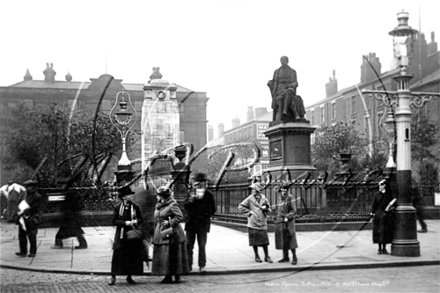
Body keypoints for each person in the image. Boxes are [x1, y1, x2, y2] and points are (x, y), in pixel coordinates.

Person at [152, 186, 190, 283]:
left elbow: (180, 216)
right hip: (161, 232)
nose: (156, 197)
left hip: (171, 233)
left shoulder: (172, 205)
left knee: (171, 254)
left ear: (162, 196)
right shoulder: (159, 205)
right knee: (164, 255)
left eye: (158, 195)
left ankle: (174, 275)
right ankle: (167, 275)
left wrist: (170, 222)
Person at [108, 186, 144, 286]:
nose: (131, 196)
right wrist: (125, 223)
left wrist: (136, 221)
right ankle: (113, 276)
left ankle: (129, 276)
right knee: (118, 256)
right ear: (123, 197)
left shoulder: (135, 207)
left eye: (131, 195)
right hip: (121, 235)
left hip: (132, 235)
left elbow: (141, 219)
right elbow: (114, 221)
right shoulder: (118, 207)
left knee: (130, 256)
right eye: (129, 195)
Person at [183, 172, 216, 273]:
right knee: (189, 245)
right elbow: (185, 206)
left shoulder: (209, 194)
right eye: (198, 182)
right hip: (191, 223)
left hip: (202, 223)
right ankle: (188, 265)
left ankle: (202, 265)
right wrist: (191, 200)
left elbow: (213, 209)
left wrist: (205, 213)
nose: (200, 184)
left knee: (202, 246)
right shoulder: (191, 193)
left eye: (202, 182)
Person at [238, 182, 273, 263]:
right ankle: (257, 256)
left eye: (254, 189)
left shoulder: (264, 198)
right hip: (253, 223)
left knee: (265, 241)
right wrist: (249, 212)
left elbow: (269, 208)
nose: (252, 190)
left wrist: (266, 208)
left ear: (258, 190)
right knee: (254, 242)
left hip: (262, 222)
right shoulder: (250, 198)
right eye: (252, 189)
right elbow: (240, 206)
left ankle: (267, 256)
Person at [267, 56, 305, 122]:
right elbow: (274, 81)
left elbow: (296, 83)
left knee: (289, 91)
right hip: (280, 89)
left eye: (284, 61)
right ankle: (295, 113)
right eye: (281, 61)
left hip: (289, 88)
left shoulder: (293, 71)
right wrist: (270, 83)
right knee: (291, 96)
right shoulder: (276, 71)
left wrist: (290, 85)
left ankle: (285, 110)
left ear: (287, 61)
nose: (282, 62)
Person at [15, 180, 43, 258]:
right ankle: (23, 251)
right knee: (21, 235)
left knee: (32, 235)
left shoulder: (37, 196)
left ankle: (32, 252)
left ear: (33, 187)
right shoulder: (24, 195)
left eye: (29, 187)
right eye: (26, 187)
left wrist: (24, 211)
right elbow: (19, 203)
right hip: (23, 218)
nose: (27, 188)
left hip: (31, 217)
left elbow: (35, 207)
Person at [273, 184, 299, 265]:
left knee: (291, 239)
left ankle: (294, 257)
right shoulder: (279, 197)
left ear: (287, 190)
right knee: (283, 239)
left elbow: (294, 210)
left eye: (285, 190)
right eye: (282, 190)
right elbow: (278, 208)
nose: (283, 191)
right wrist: (276, 215)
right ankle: (285, 257)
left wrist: (288, 216)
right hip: (281, 221)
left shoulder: (290, 197)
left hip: (288, 222)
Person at [370, 179, 397, 254]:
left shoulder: (389, 195)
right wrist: (372, 214)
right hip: (378, 215)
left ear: (385, 185)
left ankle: (384, 248)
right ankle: (379, 248)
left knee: (385, 231)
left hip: (386, 215)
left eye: (381, 184)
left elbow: (393, 204)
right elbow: (374, 205)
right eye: (379, 185)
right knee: (379, 231)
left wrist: (390, 208)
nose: (379, 186)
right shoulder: (377, 195)